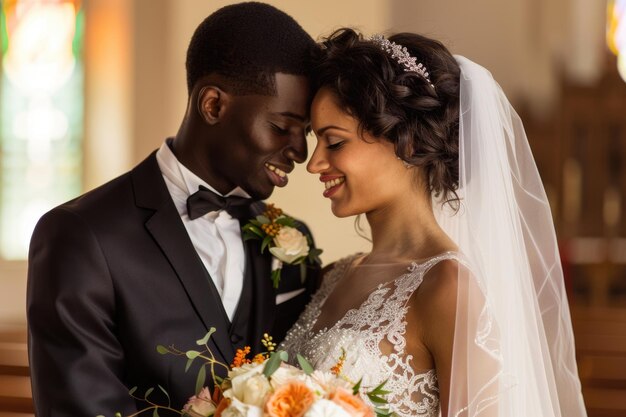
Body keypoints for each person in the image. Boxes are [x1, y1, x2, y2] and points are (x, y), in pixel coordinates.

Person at [26, 3, 321, 416]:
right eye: (281, 126)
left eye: (304, 132)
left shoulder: (293, 243)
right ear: (213, 105)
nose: (300, 151)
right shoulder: (81, 235)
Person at [280, 28, 588, 417]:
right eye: (316, 142)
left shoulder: (448, 287)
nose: (315, 164)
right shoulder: (334, 275)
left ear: (406, 141)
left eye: (335, 142)